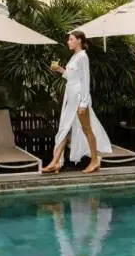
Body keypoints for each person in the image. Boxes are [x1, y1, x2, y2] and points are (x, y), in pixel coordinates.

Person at [45, 31, 113, 174]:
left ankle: (94, 161)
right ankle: (55, 162)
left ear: (79, 41)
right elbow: (71, 76)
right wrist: (59, 70)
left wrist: (83, 103)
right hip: (70, 98)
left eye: (71, 39)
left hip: (79, 98)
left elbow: (85, 81)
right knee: (65, 128)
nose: (68, 42)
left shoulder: (83, 57)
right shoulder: (74, 57)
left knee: (87, 129)